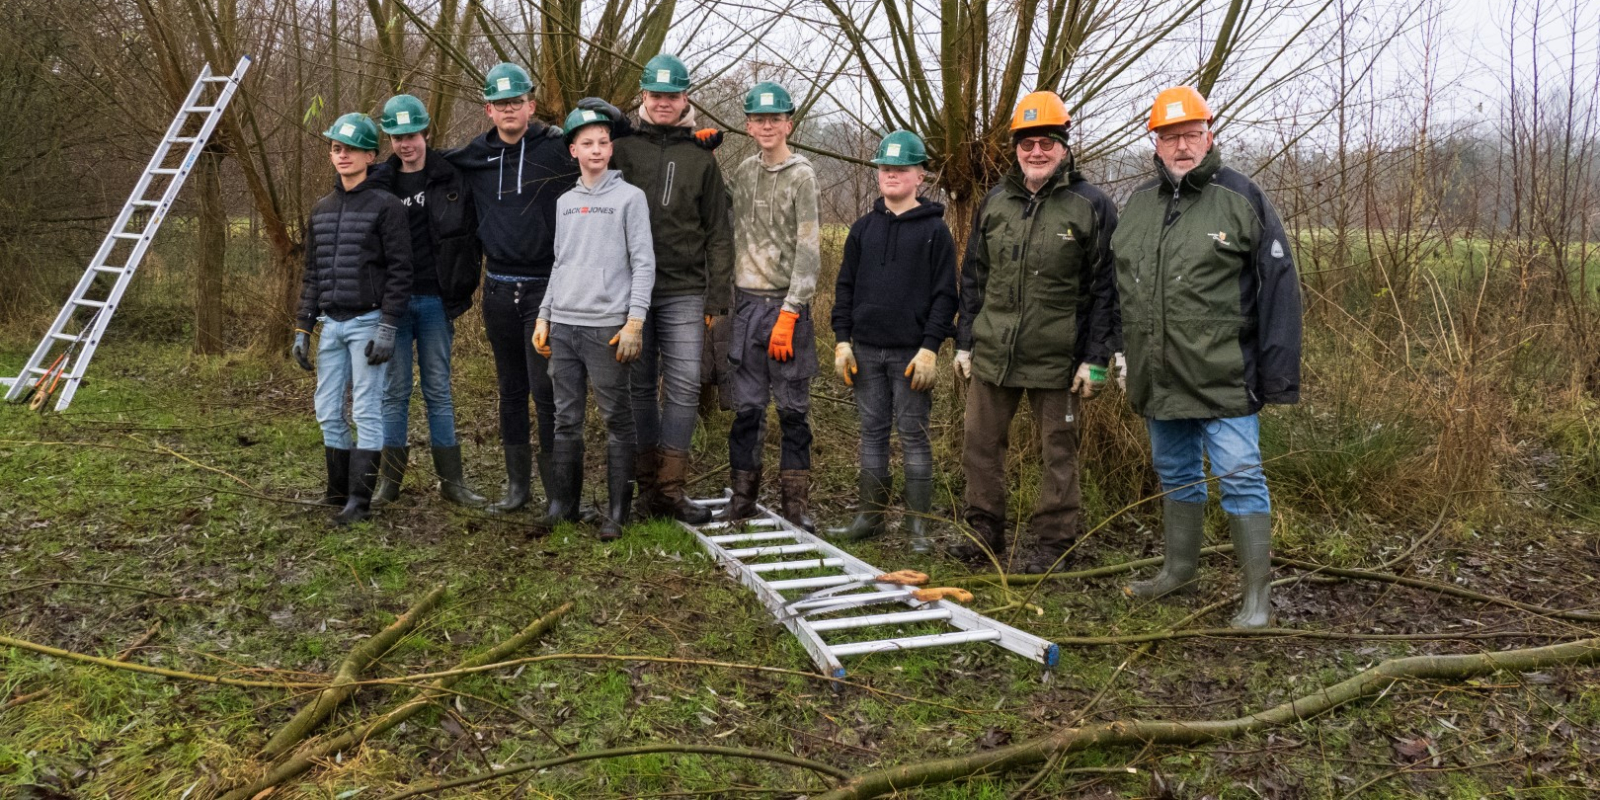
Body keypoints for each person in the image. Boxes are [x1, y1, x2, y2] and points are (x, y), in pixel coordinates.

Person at [1114, 86, 1302, 629]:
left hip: (1224, 374)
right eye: (1170, 137)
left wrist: (1278, 375)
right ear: (1155, 142)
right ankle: (1178, 571)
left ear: (1209, 135)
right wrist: (1119, 350)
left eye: (1191, 134)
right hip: (1160, 373)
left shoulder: (1242, 198)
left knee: (1240, 475)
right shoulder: (1139, 205)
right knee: (1174, 472)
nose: (1182, 146)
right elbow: (1117, 285)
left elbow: (1280, 290)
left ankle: (1257, 600)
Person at [952, 91, 1119, 573]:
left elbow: (1107, 288)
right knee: (980, 443)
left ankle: (1054, 541)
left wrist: (1097, 357)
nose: (1037, 152)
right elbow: (974, 276)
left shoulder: (1091, 205)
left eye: (1047, 142)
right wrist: (965, 339)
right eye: (1028, 144)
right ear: (1016, 149)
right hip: (994, 351)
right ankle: (984, 530)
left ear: (1064, 146)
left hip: (1059, 358)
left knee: (1058, 452)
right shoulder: (996, 202)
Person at [608, 54, 734, 524]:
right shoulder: (621, 149)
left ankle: (671, 489)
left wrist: (717, 296)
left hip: (685, 289)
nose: (664, 103)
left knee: (683, 385)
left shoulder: (701, 156)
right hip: (631, 291)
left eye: (673, 96)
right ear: (644, 96)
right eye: (656, 95)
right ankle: (644, 488)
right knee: (639, 386)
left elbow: (719, 230)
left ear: (685, 100)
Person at [441, 63, 573, 514]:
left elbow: (613, 144)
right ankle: (518, 490)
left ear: (531, 106)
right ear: (488, 110)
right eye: (500, 104)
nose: (509, 110)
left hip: (546, 291)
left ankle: (558, 493)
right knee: (511, 390)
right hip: (497, 290)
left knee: (546, 391)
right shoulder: (474, 156)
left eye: (516, 102)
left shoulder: (558, 151)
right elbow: (419, 165)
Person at [825, 130, 957, 553]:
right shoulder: (862, 229)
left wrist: (930, 349)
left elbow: (945, 297)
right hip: (864, 349)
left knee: (914, 435)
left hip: (910, 355)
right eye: (885, 168)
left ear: (920, 176)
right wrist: (842, 340)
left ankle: (918, 526)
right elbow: (843, 287)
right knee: (872, 432)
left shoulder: (936, 232)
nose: (892, 175)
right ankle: (870, 517)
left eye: (901, 169)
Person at [532, 107, 656, 540]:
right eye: (588, 143)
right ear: (573, 151)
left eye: (603, 142)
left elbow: (643, 264)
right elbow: (559, 263)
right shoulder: (565, 203)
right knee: (566, 418)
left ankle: (617, 513)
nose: (597, 149)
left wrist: (635, 321)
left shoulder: (630, 199)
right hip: (564, 326)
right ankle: (563, 506)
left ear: (611, 148)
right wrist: (545, 315)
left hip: (607, 330)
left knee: (616, 419)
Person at [292, 112, 412, 526]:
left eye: (351, 149)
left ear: (369, 155)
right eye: (336, 148)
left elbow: (401, 271)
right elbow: (312, 273)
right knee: (327, 410)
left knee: (366, 410)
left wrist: (388, 326)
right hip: (331, 324)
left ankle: (360, 503)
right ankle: (336, 493)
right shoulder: (321, 209)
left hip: (368, 322)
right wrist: (303, 326)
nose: (342, 155)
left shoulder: (387, 206)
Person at [370, 93, 487, 508]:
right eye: (397, 136)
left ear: (426, 132)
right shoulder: (378, 181)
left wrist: (463, 282)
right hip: (392, 306)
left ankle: (452, 483)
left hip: (437, 300)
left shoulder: (450, 175)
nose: (406, 143)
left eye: (413, 134)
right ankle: (389, 482)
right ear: (389, 138)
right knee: (394, 391)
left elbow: (473, 228)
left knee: (438, 389)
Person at [717, 82, 822, 531]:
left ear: (788, 124)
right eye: (759, 119)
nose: (766, 126)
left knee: (793, 410)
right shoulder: (743, 172)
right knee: (747, 410)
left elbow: (809, 249)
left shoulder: (802, 175)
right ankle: (743, 499)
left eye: (774, 119)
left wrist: (792, 310)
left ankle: (795, 507)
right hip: (746, 307)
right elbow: (721, 215)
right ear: (748, 125)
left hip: (786, 307)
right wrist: (700, 154)